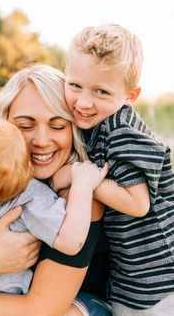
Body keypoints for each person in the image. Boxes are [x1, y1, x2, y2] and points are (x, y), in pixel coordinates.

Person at [0, 64, 112, 316]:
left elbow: (41, 310)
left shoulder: (81, 197)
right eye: (25, 126)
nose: (41, 141)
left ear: (73, 129)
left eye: (57, 126)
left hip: (74, 305)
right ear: (4, 125)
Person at [54, 23, 174, 315]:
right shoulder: (97, 124)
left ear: (130, 96)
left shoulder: (120, 131)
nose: (83, 101)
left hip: (154, 275)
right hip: (132, 271)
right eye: (75, 85)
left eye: (102, 92)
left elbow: (138, 202)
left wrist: (81, 175)